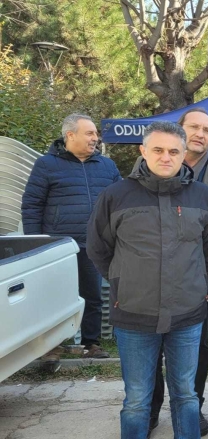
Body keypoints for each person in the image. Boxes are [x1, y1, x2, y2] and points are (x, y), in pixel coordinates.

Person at [87, 121, 208, 439]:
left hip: (187, 315)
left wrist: (202, 285)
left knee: (186, 396)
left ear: (184, 153)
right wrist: (122, 281)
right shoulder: (116, 196)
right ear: (143, 151)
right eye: (158, 149)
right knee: (136, 400)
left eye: (174, 151)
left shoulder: (203, 197)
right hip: (134, 315)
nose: (166, 157)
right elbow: (98, 248)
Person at [148, 108, 208, 437]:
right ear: (181, 131)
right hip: (153, 277)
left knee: (198, 346)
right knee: (151, 346)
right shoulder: (155, 165)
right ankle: (152, 409)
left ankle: (192, 407)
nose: (201, 133)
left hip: (199, 279)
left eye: (207, 130)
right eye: (194, 127)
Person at [22, 113, 121, 367]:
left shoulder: (107, 166)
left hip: (94, 244)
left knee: (93, 295)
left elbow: (121, 202)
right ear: (70, 135)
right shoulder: (46, 164)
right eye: (89, 133)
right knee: (54, 296)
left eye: (95, 134)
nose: (95, 138)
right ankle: (52, 347)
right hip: (57, 247)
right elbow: (32, 205)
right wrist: (36, 243)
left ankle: (91, 344)